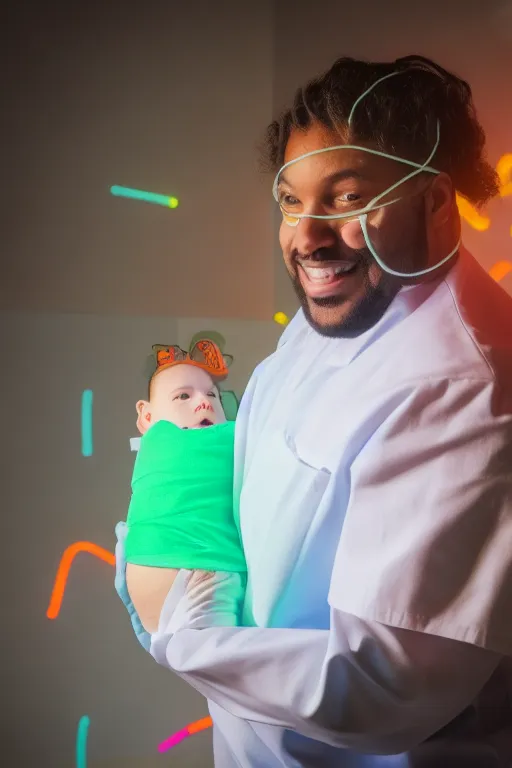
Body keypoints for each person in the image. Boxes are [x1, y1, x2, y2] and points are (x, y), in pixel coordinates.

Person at [115, 55, 512, 767]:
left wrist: (185, 627)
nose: (306, 237)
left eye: (347, 198)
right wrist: (177, 502)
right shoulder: (353, 305)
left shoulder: (467, 387)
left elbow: (378, 690)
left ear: (436, 201)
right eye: (292, 202)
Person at [124, 339, 246, 634]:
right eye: (183, 397)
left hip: (144, 575)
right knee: (223, 659)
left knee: (199, 656)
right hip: (205, 569)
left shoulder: (148, 444)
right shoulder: (233, 436)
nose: (203, 402)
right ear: (147, 416)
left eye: (212, 395)